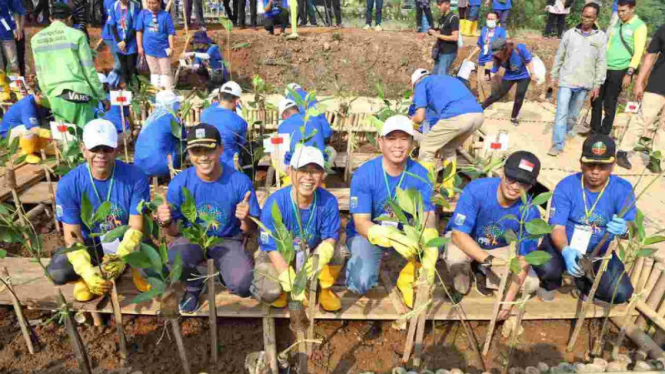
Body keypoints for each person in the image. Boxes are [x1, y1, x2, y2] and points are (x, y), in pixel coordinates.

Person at [158, 123, 260, 313]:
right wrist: (166, 222)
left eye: (209, 150)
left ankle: (225, 273)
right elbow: (174, 232)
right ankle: (194, 285)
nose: (203, 157)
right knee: (174, 260)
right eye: (197, 151)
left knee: (243, 285)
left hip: (227, 239)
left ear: (221, 149)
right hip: (194, 237)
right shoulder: (180, 183)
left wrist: (245, 219)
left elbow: (251, 230)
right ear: (189, 153)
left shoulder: (239, 181)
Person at [47, 119, 150, 302]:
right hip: (91, 246)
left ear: (116, 149)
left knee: (154, 268)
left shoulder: (136, 178)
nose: (101, 155)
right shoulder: (69, 184)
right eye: (95, 149)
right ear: (83, 149)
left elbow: (136, 226)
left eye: (107, 149)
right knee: (58, 271)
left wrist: (122, 256)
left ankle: (132, 267)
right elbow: (73, 236)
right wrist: (85, 270)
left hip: (126, 242)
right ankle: (85, 278)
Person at [345, 115, 439, 308]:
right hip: (370, 233)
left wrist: (428, 239)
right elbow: (361, 223)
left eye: (404, 138)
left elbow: (427, 216)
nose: (398, 145)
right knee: (360, 282)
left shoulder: (420, 175)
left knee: (436, 244)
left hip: (406, 233)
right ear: (380, 142)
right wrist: (389, 237)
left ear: (412, 143)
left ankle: (406, 275)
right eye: (391, 138)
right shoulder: (365, 174)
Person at [533, 134, 636, 304]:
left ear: (612, 166)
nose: (595, 171)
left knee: (620, 293)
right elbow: (557, 227)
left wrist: (625, 229)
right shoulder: (567, 186)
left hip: (599, 253)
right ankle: (550, 282)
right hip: (563, 245)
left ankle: (584, 283)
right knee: (546, 267)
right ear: (581, 163)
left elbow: (632, 226)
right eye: (590, 164)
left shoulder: (623, 189)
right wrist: (565, 250)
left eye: (602, 166)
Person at [445, 151, 542, 316]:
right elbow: (458, 234)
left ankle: (482, 272)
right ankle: (465, 278)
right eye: (511, 178)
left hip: (500, 248)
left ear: (531, 186)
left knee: (531, 284)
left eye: (523, 183)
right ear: (503, 172)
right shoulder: (477, 189)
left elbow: (524, 258)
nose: (514, 187)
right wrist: (489, 260)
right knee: (455, 259)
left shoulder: (530, 211)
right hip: (467, 241)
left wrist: (508, 301)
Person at [252, 146, 344, 311]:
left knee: (339, 250)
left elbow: (331, 235)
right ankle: (281, 290)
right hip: (279, 254)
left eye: (315, 171)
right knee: (269, 291)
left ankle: (325, 289)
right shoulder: (276, 203)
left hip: (309, 253)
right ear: (290, 171)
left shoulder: (328, 201)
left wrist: (326, 248)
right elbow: (271, 246)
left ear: (322, 174)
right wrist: (285, 274)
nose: (308, 177)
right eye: (302, 170)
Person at [410, 68, 484, 196]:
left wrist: (411, 121)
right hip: (478, 115)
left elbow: (420, 117)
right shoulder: (447, 80)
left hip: (457, 116)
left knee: (427, 147)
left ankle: (423, 192)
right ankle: (448, 190)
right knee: (449, 149)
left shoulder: (422, 84)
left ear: (415, 83)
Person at [32, 3, 106, 128]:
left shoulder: (36, 39)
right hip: (79, 93)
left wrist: (49, 95)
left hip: (56, 96)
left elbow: (39, 72)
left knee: (67, 139)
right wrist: (102, 97)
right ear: (69, 18)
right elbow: (89, 70)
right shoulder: (77, 35)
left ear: (50, 18)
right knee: (85, 139)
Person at [548, 2, 606, 157]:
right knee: (561, 112)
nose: (586, 19)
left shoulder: (600, 37)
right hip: (566, 80)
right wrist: (553, 75)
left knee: (573, 115)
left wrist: (597, 84)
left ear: (595, 18)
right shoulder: (569, 34)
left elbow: (601, 61)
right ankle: (557, 144)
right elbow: (559, 56)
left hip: (585, 82)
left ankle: (567, 130)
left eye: (590, 17)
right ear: (581, 14)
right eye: (584, 16)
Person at [590, 0, 646, 136]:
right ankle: (594, 130)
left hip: (620, 69)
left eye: (623, 11)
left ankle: (604, 132)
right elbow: (609, 44)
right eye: (619, 11)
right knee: (596, 99)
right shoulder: (618, 23)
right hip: (605, 67)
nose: (620, 14)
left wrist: (629, 73)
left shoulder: (639, 26)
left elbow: (638, 52)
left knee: (610, 101)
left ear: (632, 9)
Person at [617, 24, 665, 173]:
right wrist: (639, 82)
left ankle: (657, 158)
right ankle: (623, 151)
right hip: (659, 81)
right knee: (643, 118)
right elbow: (650, 55)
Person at [482, 38, 538, 126]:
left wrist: (532, 73)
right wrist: (488, 76)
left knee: (519, 96)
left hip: (523, 75)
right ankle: (480, 109)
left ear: (504, 49)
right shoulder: (497, 57)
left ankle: (514, 117)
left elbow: (529, 61)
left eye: (497, 53)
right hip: (509, 76)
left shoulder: (518, 49)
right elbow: (495, 69)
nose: (496, 55)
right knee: (497, 95)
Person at [135, 91, 185, 177]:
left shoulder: (151, 118)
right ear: (171, 105)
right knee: (182, 145)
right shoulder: (171, 118)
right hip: (159, 166)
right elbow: (183, 136)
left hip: (140, 164)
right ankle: (176, 170)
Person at [200, 81, 248, 170]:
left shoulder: (205, 114)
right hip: (230, 167)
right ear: (237, 101)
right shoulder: (240, 122)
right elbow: (242, 144)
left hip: (207, 164)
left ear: (219, 96)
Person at [0, 91, 53, 163]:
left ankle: (39, 148)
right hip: (8, 135)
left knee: (44, 128)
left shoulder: (42, 104)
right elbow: (33, 128)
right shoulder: (27, 105)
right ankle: (26, 153)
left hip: (23, 133)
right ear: (37, 95)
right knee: (30, 131)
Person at [465, 11, 507, 101]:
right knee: (479, 81)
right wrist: (470, 56)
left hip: (491, 60)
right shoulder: (484, 30)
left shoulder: (500, 31)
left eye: (492, 19)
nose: (490, 20)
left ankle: (488, 101)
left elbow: (503, 45)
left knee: (485, 79)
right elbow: (479, 45)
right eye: (488, 18)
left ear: (497, 20)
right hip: (482, 59)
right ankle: (482, 101)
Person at [136, 0, 176, 90]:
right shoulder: (143, 14)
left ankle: (167, 94)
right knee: (154, 72)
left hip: (163, 49)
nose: (151, 5)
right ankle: (155, 94)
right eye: (149, 2)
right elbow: (139, 31)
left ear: (159, 2)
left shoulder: (165, 15)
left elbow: (170, 32)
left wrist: (171, 46)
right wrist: (139, 47)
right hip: (149, 49)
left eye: (153, 3)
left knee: (165, 72)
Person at [108, 0, 140, 87]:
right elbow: (113, 25)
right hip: (118, 43)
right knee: (123, 67)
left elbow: (135, 27)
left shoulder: (134, 7)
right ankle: (128, 89)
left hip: (131, 43)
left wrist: (125, 42)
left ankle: (136, 90)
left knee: (131, 67)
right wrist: (119, 42)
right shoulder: (114, 6)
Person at [428, 0, 459, 76]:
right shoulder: (443, 17)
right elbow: (441, 30)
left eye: (439, 4)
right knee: (434, 75)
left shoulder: (453, 18)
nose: (438, 7)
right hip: (440, 51)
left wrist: (438, 35)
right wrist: (432, 31)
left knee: (441, 76)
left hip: (448, 52)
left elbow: (455, 37)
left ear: (447, 4)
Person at [0, 0, 24, 74]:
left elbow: (15, 10)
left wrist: (17, 27)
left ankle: (15, 83)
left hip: (6, 30)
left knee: (13, 62)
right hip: (6, 29)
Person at [102, 0, 121, 76]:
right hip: (111, 35)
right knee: (119, 60)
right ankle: (111, 81)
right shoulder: (110, 2)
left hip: (113, 34)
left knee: (120, 60)